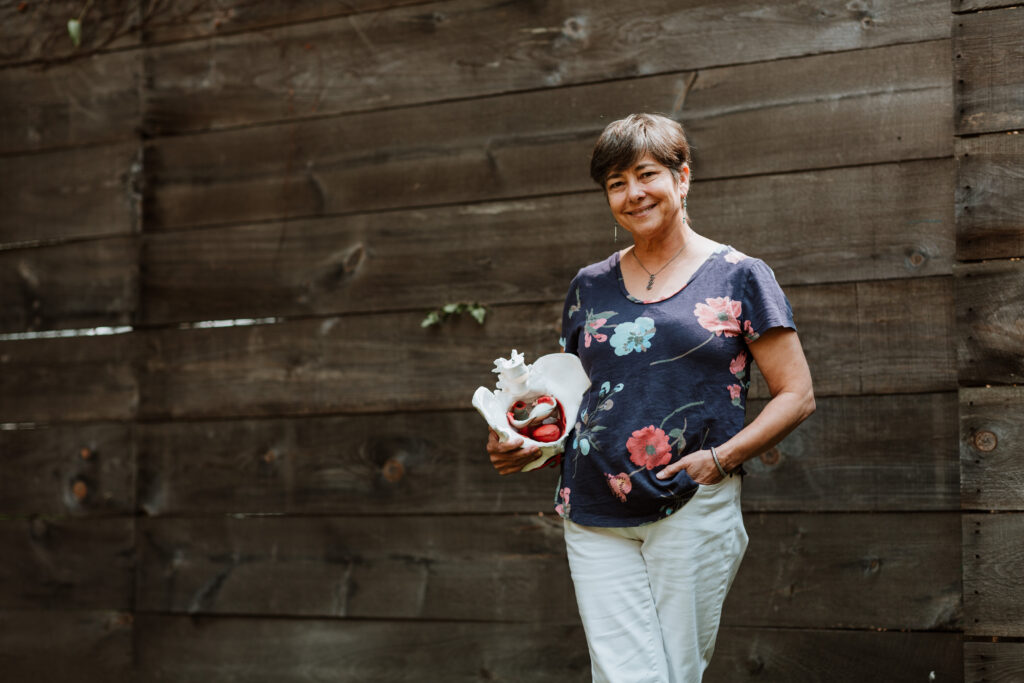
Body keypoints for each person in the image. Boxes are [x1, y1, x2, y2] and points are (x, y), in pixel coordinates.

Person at [486, 113, 815, 683]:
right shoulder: (588, 285)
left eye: (646, 175)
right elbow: (572, 401)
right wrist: (521, 444)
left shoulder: (740, 276)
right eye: (616, 183)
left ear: (682, 178)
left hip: (690, 500)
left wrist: (720, 460)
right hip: (591, 507)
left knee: (674, 674)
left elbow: (797, 394)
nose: (633, 193)